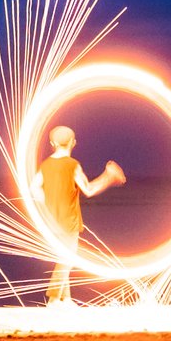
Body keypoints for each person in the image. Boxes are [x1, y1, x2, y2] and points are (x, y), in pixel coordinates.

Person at [37, 124, 126, 305]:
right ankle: (54, 299)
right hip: (68, 220)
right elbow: (89, 190)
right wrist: (109, 177)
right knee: (67, 259)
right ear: (72, 142)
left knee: (65, 257)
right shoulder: (72, 165)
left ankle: (66, 299)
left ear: (52, 142)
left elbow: (33, 188)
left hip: (51, 222)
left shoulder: (45, 165)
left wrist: (45, 209)